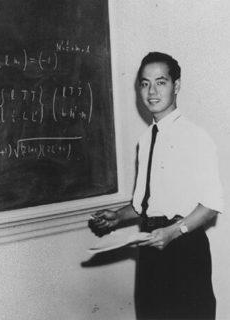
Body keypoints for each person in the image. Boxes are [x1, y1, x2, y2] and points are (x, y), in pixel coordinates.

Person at [89, 52, 223, 320]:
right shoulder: (145, 140)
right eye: (144, 83)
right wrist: (116, 216)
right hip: (150, 246)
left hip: (185, 246)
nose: (151, 91)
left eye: (160, 82)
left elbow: (211, 206)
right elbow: (144, 206)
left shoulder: (196, 137)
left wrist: (174, 232)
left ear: (177, 85)